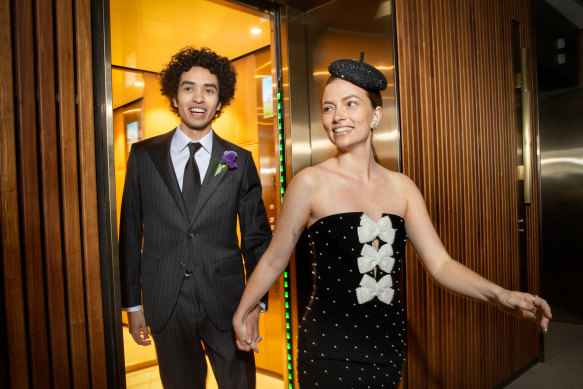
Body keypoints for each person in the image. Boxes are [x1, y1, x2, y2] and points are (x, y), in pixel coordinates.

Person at [232, 54, 552, 388]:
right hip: (328, 346)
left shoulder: (403, 187)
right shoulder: (309, 183)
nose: (337, 116)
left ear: (376, 116)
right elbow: (274, 258)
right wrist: (244, 310)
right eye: (328, 108)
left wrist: (500, 295)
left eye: (350, 104)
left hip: (386, 342)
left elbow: (441, 264)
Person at [119, 46, 271, 389]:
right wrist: (132, 304)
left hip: (229, 301)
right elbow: (130, 233)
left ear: (220, 101)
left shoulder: (239, 160)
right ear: (174, 96)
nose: (198, 97)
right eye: (188, 87)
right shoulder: (144, 155)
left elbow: (256, 239)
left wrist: (255, 306)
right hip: (165, 300)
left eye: (209, 89)